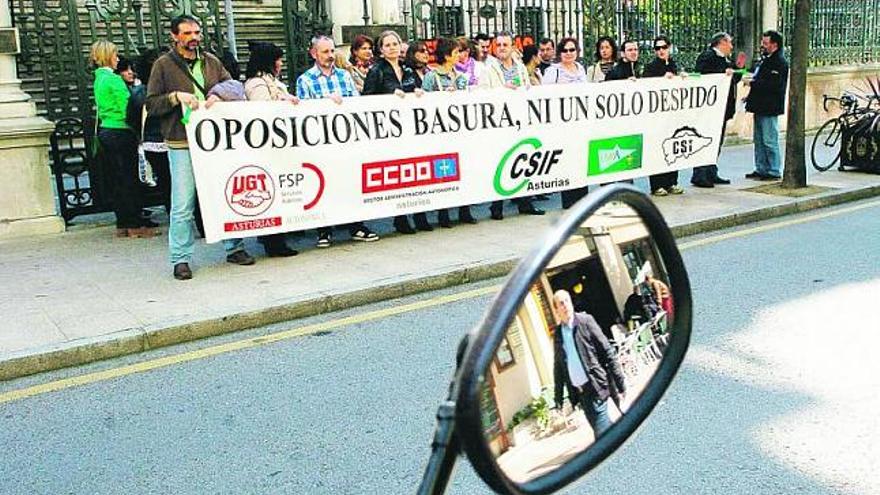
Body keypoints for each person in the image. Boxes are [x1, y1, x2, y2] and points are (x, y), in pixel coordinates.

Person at [146, 15, 256, 280]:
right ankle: (180, 258)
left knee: (225, 193)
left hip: (215, 141)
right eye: (187, 33)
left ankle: (235, 246)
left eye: (196, 32)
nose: (194, 37)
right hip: (181, 141)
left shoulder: (211, 61)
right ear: (175, 36)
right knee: (183, 202)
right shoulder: (163, 65)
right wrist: (174, 97)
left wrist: (217, 95)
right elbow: (151, 104)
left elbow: (234, 86)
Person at [296, 35, 381, 248]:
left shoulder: (344, 75)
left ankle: (356, 225)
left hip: (345, 139)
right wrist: (326, 104)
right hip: (321, 143)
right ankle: (324, 230)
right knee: (324, 184)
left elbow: (355, 103)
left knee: (350, 182)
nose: (330, 56)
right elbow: (303, 112)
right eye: (325, 52)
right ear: (314, 54)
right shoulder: (305, 80)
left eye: (332, 51)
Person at [363, 30, 430, 234]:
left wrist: (417, 92)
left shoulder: (407, 69)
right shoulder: (377, 71)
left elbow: (416, 89)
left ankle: (420, 215)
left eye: (395, 44)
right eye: (388, 45)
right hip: (389, 130)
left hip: (411, 128)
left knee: (417, 172)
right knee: (399, 174)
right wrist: (389, 97)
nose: (392, 48)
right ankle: (400, 218)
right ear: (381, 50)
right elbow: (366, 98)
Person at [90, 40, 157, 239]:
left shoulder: (99, 78)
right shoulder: (113, 79)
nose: (117, 58)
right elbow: (127, 106)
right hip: (121, 131)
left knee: (118, 180)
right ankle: (135, 223)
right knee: (129, 179)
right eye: (115, 54)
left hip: (106, 130)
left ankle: (123, 222)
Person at [243, 41, 300, 257]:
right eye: (278, 59)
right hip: (268, 145)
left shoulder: (269, 81)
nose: (281, 63)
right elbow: (264, 112)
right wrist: (284, 100)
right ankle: (273, 242)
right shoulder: (257, 84)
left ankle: (275, 239)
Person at [552, 290, 627, 437]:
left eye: (567, 300)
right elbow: (559, 367)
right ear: (556, 310)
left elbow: (607, 351)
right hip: (582, 395)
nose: (565, 305)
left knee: (603, 437)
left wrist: (620, 383)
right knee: (607, 433)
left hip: (597, 387)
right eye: (561, 303)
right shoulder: (558, 334)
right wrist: (558, 400)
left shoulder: (585, 321)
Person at [486, 32, 544, 220]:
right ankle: (496, 206)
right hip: (500, 122)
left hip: (520, 120)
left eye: (505, 44)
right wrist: (503, 91)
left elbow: (527, 87)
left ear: (512, 47)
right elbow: (484, 92)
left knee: (522, 160)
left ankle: (525, 203)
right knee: (500, 162)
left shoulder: (520, 68)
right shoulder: (489, 68)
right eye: (499, 44)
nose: (502, 47)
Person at [422, 37, 476, 228]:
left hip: (458, 130)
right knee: (442, 172)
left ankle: (464, 209)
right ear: (446, 56)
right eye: (455, 53)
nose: (460, 56)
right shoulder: (432, 77)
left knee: (463, 170)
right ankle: (443, 213)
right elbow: (423, 104)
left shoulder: (460, 76)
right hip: (439, 132)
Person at [692, 31, 744, 188]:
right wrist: (723, 73)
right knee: (707, 140)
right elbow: (702, 76)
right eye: (730, 43)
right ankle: (700, 174)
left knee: (717, 141)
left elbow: (732, 79)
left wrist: (737, 68)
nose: (731, 47)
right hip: (710, 108)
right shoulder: (708, 57)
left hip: (722, 108)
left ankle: (711, 171)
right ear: (722, 42)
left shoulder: (723, 59)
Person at [543, 37, 591, 209]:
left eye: (572, 50)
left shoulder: (580, 69)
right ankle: (569, 201)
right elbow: (544, 97)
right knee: (568, 161)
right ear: (560, 53)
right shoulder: (552, 71)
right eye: (565, 50)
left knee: (581, 160)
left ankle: (583, 198)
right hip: (562, 125)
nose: (569, 53)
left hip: (580, 123)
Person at [744, 30, 789, 181]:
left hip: (769, 106)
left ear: (774, 45)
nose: (762, 46)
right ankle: (761, 168)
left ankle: (774, 169)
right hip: (759, 105)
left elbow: (774, 85)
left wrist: (753, 83)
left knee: (770, 139)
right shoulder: (766, 60)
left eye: (765, 43)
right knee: (759, 139)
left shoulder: (779, 62)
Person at [643, 35, 685, 196]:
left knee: (673, 146)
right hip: (657, 115)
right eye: (657, 48)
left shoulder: (673, 64)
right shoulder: (651, 67)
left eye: (663, 47)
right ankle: (657, 184)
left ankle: (672, 182)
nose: (661, 51)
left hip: (672, 113)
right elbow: (647, 86)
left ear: (669, 47)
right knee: (657, 149)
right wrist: (662, 80)